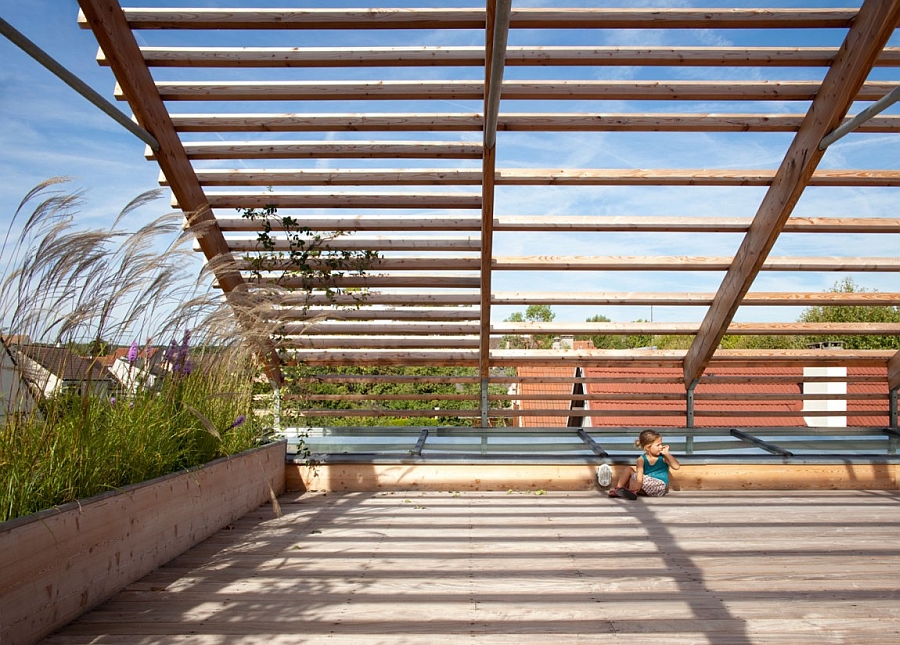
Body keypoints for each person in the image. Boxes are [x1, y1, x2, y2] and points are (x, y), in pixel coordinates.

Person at [608, 429, 680, 500]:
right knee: (631, 473)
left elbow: (676, 467)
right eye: (658, 445)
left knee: (632, 475)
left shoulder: (663, 457)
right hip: (650, 488)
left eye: (661, 444)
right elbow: (640, 472)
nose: (661, 447)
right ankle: (622, 490)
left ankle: (628, 490)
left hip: (660, 486)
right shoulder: (641, 459)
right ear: (648, 447)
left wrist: (667, 453)